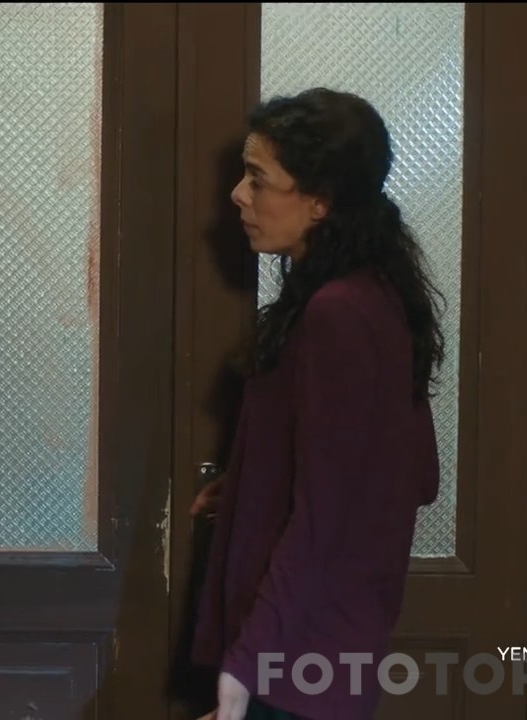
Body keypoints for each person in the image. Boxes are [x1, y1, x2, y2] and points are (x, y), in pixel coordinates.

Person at [188, 87, 444, 720]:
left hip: (293, 657)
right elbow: (415, 472)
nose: (238, 195)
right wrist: (252, 483)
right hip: (325, 648)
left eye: (258, 180)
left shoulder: (337, 314)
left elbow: (325, 517)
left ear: (320, 201)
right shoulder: (377, 294)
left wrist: (246, 664)